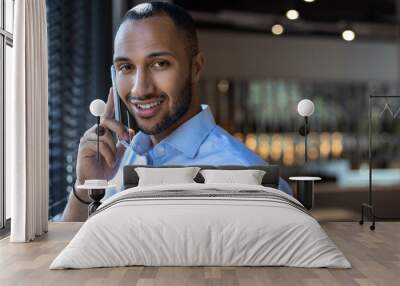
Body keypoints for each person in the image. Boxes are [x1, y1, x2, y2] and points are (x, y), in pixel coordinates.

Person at [62, 2, 291, 222]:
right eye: (126, 67)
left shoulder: (250, 178)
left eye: (160, 64)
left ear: (196, 68)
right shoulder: (117, 159)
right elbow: (67, 253)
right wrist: (87, 186)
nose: (140, 89)